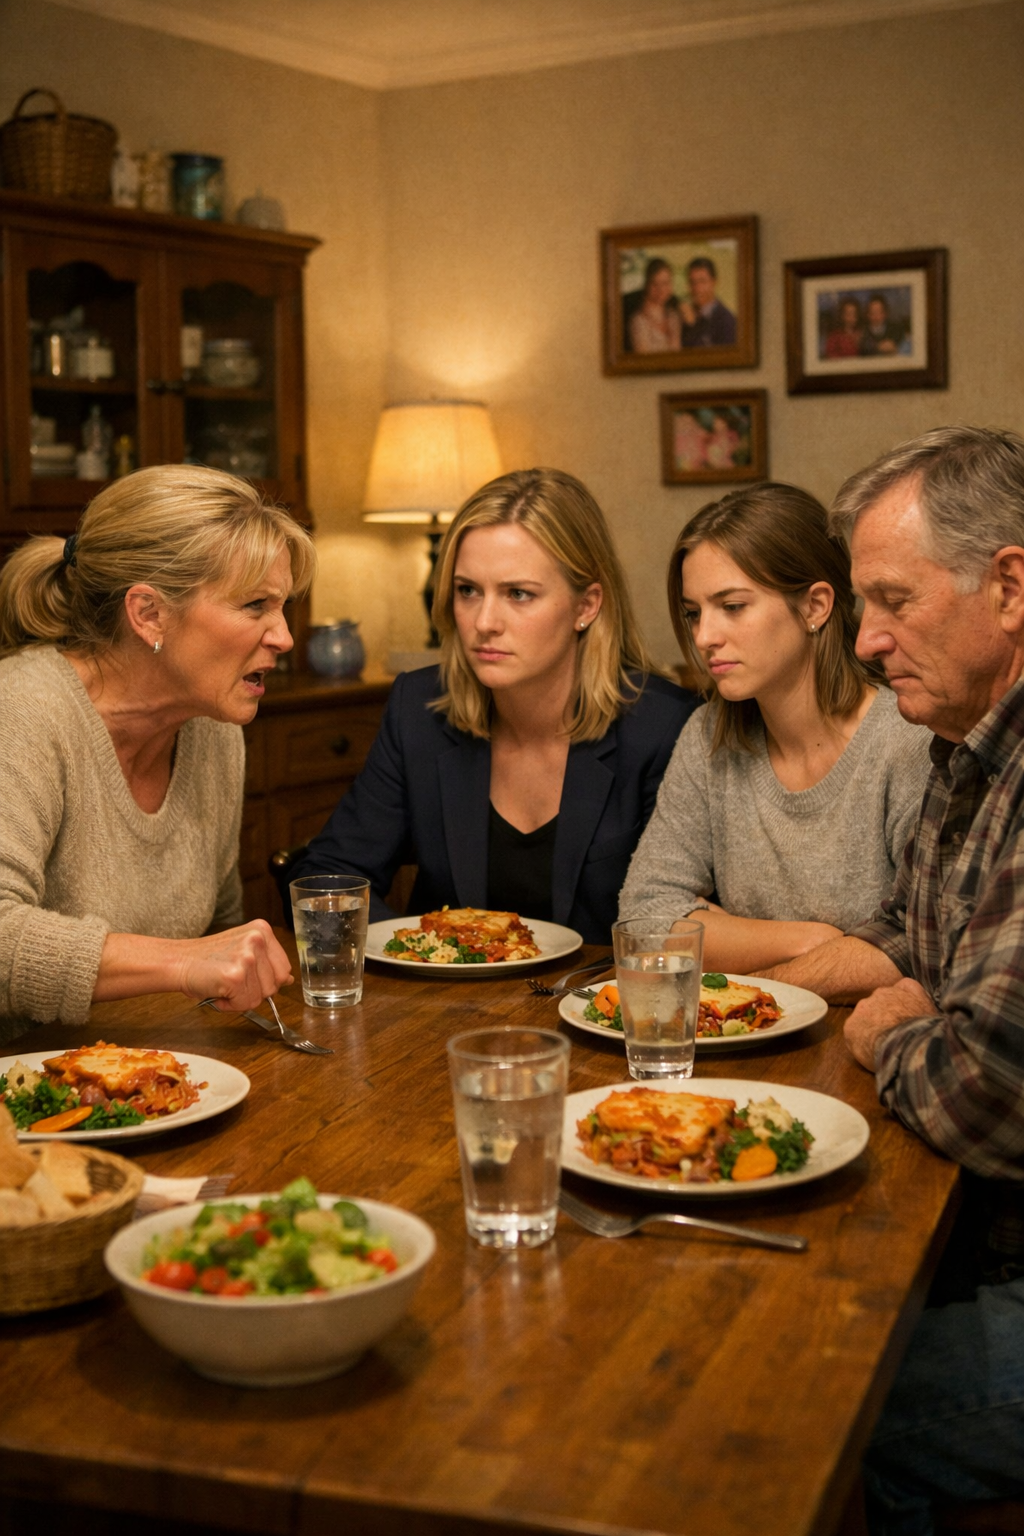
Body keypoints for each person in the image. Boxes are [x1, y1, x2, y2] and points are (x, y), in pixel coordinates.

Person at [757, 427, 1024, 1535]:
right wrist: (780, 994)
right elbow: (906, 935)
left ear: (1009, 587)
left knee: (806, 1407)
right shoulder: (966, 744)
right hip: (985, 1230)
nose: (865, 641)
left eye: (894, 602)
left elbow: (984, 1089)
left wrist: (888, 1036)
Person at [289, 468, 699, 942]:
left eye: (518, 594)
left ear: (586, 606)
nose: (484, 622)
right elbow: (326, 877)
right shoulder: (419, 710)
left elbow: (681, 925)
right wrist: (429, 947)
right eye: (468, 590)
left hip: (599, 990)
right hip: (440, 987)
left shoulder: (663, 728)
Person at [0, 464, 314, 1035]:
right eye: (255, 606)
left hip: (154, 1064)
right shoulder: (22, 709)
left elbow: (220, 933)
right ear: (149, 614)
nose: (285, 636)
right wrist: (183, 962)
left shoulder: (213, 727)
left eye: (283, 605)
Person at [618, 482, 932, 974]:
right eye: (693, 613)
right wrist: (815, 941)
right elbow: (642, 917)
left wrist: (719, 931)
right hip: (748, 1019)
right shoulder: (707, 735)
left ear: (814, 606)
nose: (704, 636)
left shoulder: (908, 741)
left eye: (732, 606)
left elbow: (920, 948)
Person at [627, 258, 682, 354]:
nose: (661, 289)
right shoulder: (639, 321)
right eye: (655, 284)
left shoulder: (674, 316)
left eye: (665, 283)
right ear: (647, 285)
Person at [680, 257, 737, 347]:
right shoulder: (684, 316)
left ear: (714, 282)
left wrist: (692, 327)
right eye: (692, 282)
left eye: (702, 281)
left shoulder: (727, 322)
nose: (697, 288)